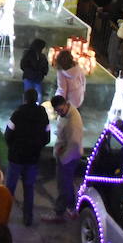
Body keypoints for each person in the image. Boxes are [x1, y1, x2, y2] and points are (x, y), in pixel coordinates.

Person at [3, 87, 50, 227]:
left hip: (16, 158)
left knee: (9, 188)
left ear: (24, 99)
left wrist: (13, 147)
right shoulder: (43, 115)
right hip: (32, 159)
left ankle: (4, 215)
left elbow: (7, 134)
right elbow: (47, 137)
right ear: (36, 99)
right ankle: (28, 218)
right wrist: (37, 147)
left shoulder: (18, 114)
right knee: (29, 188)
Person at [43, 94, 84, 223]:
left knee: (63, 185)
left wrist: (62, 156)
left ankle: (58, 213)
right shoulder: (68, 113)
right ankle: (72, 208)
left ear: (66, 104)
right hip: (67, 155)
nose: (59, 113)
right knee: (67, 183)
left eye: (60, 110)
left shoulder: (72, 122)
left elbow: (74, 143)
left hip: (68, 158)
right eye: (57, 111)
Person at [19, 38, 49, 102]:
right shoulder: (28, 54)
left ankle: (36, 107)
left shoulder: (42, 56)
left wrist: (43, 73)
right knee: (29, 94)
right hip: (29, 77)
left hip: (38, 79)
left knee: (38, 94)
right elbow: (23, 65)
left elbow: (45, 67)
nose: (45, 49)